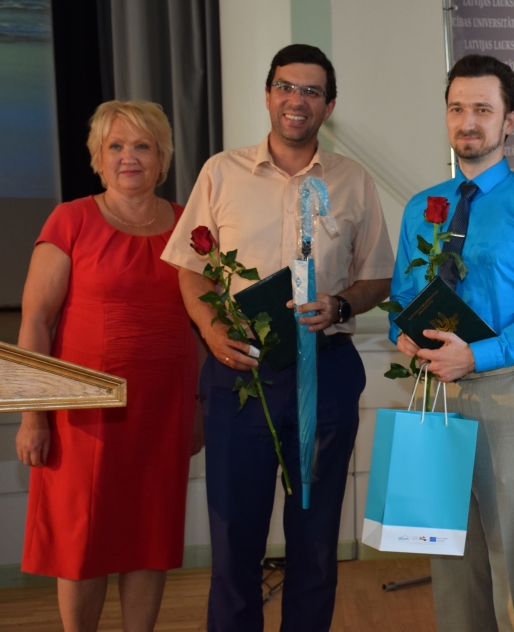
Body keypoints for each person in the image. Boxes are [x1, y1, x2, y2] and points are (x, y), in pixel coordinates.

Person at [161, 44, 393, 632]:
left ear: (329, 106)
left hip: (326, 372)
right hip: (239, 372)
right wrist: (211, 330)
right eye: (287, 87)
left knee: (316, 539)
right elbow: (190, 268)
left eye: (312, 91)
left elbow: (378, 277)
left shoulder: (353, 180)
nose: (297, 100)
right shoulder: (221, 172)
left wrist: (341, 303)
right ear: (268, 95)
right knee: (234, 536)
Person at [388, 54, 514, 632]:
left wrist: (477, 354)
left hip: (503, 392)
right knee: (447, 553)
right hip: (432, 395)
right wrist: (404, 336)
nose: (467, 122)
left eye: (482, 109)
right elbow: (401, 298)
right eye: (456, 109)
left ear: (509, 120)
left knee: (510, 556)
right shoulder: (422, 207)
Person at [15, 100, 200, 632]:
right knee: (82, 541)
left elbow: (204, 321)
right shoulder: (70, 220)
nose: (128, 157)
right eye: (115, 146)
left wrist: (198, 405)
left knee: (150, 538)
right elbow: (35, 322)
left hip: (162, 412)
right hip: (82, 416)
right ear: (97, 157)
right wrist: (33, 416)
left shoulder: (188, 225)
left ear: (162, 156)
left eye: (142, 146)